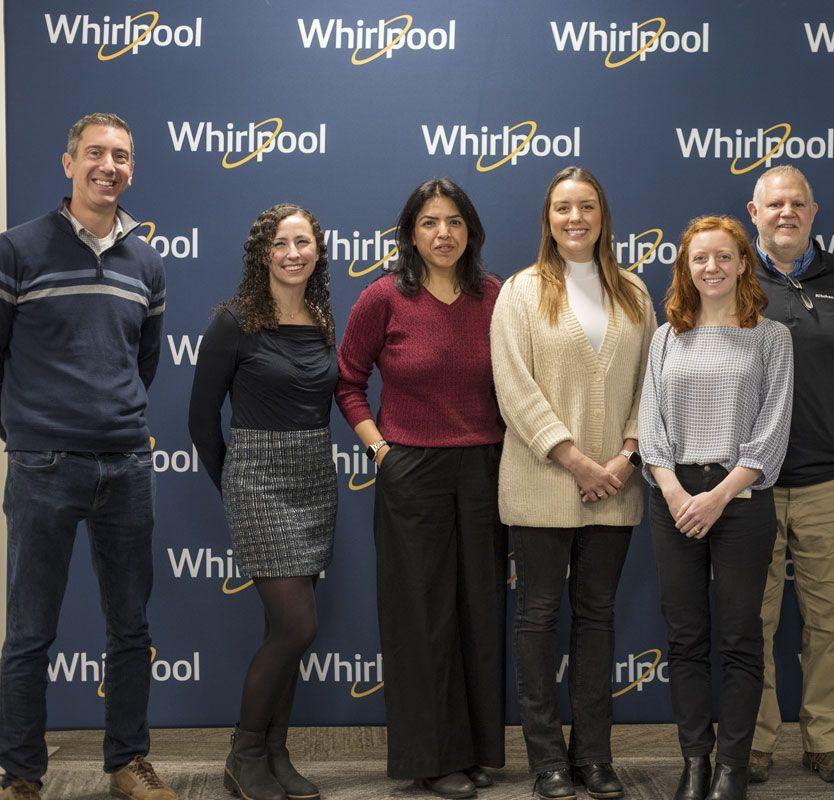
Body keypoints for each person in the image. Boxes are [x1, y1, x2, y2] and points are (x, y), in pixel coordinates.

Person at [0, 113, 174, 800]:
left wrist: (107, 421)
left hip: (125, 465)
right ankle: (22, 776)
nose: (108, 165)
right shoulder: (15, 250)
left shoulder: (147, 262)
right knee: (31, 630)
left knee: (131, 626)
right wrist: (31, 434)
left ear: (132, 169)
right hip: (43, 467)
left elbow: (141, 364)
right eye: (95, 153)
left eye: (121, 155)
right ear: (68, 164)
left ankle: (128, 762)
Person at [336, 179, 507, 799]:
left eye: (454, 221)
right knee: (423, 617)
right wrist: (380, 449)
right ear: (411, 232)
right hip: (410, 471)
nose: (443, 233)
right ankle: (431, 759)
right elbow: (348, 381)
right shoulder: (383, 298)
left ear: (471, 231)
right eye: (430, 222)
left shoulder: (496, 296)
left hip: (486, 469)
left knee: (481, 612)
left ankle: (485, 749)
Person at [490, 166, 655, 800]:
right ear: (548, 220)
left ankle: (594, 756)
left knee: (597, 620)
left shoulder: (635, 293)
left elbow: (650, 385)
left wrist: (625, 457)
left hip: (616, 485)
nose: (575, 218)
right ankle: (546, 762)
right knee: (536, 619)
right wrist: (576, 461)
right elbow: (514, 386)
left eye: (586, 206)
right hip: (540, 485)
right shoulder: (521, 291)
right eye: (563, 208)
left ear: (603, 215)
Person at [188, 203, 338, 800]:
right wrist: (236, 486)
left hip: (314, 479)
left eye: (304, 242)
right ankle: (243, 754)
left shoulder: (324, 318)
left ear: (318, 252)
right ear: (263, 252)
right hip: (257, 480)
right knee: (298, 627)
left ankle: (276, 752)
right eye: (282, 242)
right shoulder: (233, 321)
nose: (294, 253)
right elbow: (201, 420)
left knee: (284, 629)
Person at [640, 215, 793, 800]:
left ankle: (732, 764)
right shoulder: (664, 337)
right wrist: (678, 493)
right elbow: (650, 428)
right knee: (684, 636)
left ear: (742, 264)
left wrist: (719, 495)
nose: (712, 268)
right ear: (685, 267)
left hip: (742, 500)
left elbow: (772, 431)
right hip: (674, 499)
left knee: (739, 636)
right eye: (700, 258)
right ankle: (694, 762)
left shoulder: (771, 337)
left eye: (723, 257)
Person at [744, 165, 834, 785]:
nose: (786, 212)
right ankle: (755, 741)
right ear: (754, 212)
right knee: (752, 618)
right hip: (746, 485)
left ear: (815, 211)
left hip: (831, 481)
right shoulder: (728, 278)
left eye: (797, 203)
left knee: (832, 618)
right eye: (774, 204)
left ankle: (828, 740)